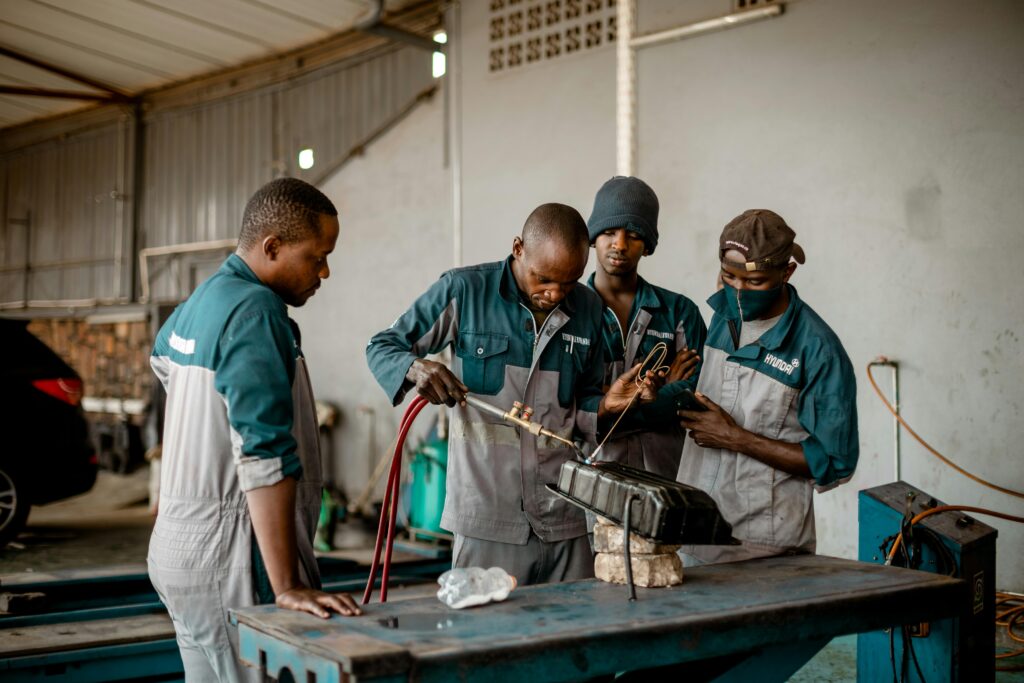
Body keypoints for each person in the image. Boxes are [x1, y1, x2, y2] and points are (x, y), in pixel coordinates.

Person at [366, 203, 661, 587]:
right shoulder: (465, 292)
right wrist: (414, 367)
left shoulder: (588, 308)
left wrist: (607, 405)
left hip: (565, 516)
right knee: (487, 638)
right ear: (518, 248)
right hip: (488, 518)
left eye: (568, 282)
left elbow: (583, 403)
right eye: (543, 279)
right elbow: (383, 346)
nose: (554, 293)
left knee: (573, 635)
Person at [149, 178, 361, 682]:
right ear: (272, 247)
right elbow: (263, 452)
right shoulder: (255, 310)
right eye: (317, 256)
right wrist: (285, 583)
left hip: (180, 548)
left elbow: (162, 362)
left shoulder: (202, 301)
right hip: (236, 558)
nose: (325, 271)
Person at [676, 209, 859, 564]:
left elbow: (836, 461)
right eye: (729, 277)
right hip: (694, 531)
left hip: (765, 547)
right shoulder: (720, 319)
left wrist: (735, 437)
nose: (740, 292)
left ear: (786, 272)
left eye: (755, 282)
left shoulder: (817, 350)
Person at [585, 176, 707, 478]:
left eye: (634, 234)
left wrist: (607, 401)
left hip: (664, 478)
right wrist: (664, 391)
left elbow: (699, 395)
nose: (620, 244)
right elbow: (564, 398)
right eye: (609, 232)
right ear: (592, 237)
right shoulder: (571, 312)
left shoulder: (679, 312)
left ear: (648, 246)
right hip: (589, 481)